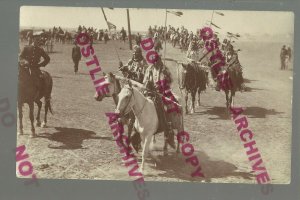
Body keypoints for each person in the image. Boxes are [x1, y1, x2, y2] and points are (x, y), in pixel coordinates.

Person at [143, 56, 175, 148]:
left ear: (160, 61)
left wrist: (163, 83)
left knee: (164, 108)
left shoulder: (165, 69)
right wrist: (147, 84)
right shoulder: (149, 69)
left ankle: (167, 127)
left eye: (157, 61)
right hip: (149, 92)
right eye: (154, 62)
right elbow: (145, 80)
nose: (155, 63)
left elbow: (170, 81)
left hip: (162, 93)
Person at [19, 32, 50, 99]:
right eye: (36, 39)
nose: (38, 41)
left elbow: (47, 59)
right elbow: (21, 57)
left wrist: (40, 65)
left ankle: (42, 95)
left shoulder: (40, 50)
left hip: (35, 69)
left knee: (42, 80)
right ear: (33, 40)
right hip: (26, 68)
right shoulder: (26, 48)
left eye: (39, 40)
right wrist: (25, 61)